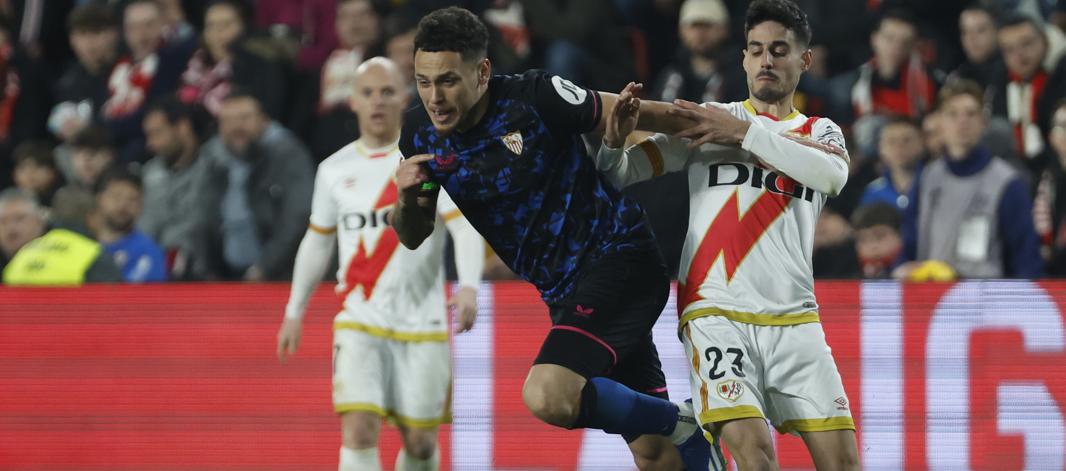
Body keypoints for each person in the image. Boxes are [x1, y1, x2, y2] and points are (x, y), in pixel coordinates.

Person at [393, 7, 711, 471]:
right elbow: (415, 234)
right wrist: (407, 198)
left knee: (549, 395)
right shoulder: (418, 132)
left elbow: (638, 113)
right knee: (654, 455)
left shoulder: (535, 97)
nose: (434, 97)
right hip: (564, 293)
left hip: (619, 257)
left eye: (447, 81)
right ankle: (684, 436)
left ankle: (682, 420)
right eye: (423, 81)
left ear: (482, 72)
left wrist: (742, 132)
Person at [594, 0, 859, 468]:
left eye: (779, 50)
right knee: (756, 458)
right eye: (756, 50)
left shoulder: (820, 130)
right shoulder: (708, 120)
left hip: (796, 320)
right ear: (743, 58)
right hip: (716, 313)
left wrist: (745, 134)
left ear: (805, 60)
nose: (766, 60)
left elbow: (832, 177)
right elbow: (619, 174)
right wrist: (613, 142)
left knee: (843, 463)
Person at [277, 57, 483, 471]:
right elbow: (317, 242)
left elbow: (465, 229)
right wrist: (293, 311)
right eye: (367, 92)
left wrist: (469, 287)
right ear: (351, 101)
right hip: (359, 319)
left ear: (405, 99)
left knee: (422, 444)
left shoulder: (428, 163)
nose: (377, 101)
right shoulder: (334, 171)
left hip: (422, 322)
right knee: (358, 430)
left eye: (387, 92)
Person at [898, 79, 1043, 279]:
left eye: (971, 113)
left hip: (986, 302)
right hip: (932, 300)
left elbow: (1025, 258)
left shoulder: (1007, 183)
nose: (962, 121)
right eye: (953, 114)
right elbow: (909, 243)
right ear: (940, 122)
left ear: (983, 123)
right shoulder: (927, 178)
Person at [195, 91, 313, 281]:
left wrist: (264, 268)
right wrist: (207, 271)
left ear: (264, 120)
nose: (236, 127)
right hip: (226, 275)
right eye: (228, 121)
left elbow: (297, 216)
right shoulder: (212, 160)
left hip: (278, 276)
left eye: (244, 118)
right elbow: (201, 217)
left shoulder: (286, 154)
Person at [138, 97, 207, 280]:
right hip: (159, 271)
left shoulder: (214, 166)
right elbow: (145, 227)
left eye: (157, 133)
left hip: (206, 270)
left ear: (183, 127)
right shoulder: (150, 173)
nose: (150, 144)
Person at [0, 188, 121, 285]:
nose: (11, 228)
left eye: (20, 218)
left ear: (41, 220)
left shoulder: (18, 263)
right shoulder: (91, 253)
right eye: (3, 221)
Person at [90, 169, 167, 282]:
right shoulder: (80, 243)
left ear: (141, 206)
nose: (123, 205)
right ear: (100, 199)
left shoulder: (148, 252)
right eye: (116, 196)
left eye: (132, 199)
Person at [860, 116, 924, 212]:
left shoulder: (934, 183)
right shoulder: (873, 191)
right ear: (881, 148)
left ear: (921, 144)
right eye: (892, 141)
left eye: (907, 140)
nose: (899, 147)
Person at [852, 202, 903, 278]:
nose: (872, 246)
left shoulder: (913, 273)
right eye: (863, 239)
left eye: (880, 236)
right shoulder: (848, 279)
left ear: (899, 236)